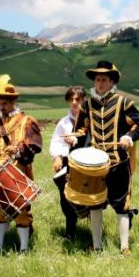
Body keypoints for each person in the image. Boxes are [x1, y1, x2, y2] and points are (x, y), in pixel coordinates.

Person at [73, 61, 139, 254]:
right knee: (95, 203)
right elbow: (81, 129)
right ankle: (97, 245)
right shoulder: (87, 105)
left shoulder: (123, 102)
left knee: (121, 205)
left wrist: (129, 137)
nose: (99, 83)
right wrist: (75, 137)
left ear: (111, 82)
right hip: (94, 165)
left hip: (118, 162)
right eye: (97, 79)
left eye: (103, 80)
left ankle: (124, 246)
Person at [0, 75, 42, 253]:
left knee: (21, 209)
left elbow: (34, 145)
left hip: (18, 170)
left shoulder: (26, 121)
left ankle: (24, 248)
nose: (1, 106)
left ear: (12, 102)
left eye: (4, 103)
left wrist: (18, 150)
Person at [49, 85, 86, 240]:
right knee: (66, 197)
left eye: (77, 99)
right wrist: (57, 156)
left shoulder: (90, 120)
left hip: (86, 162)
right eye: (71, 99)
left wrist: (77, 140)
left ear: (84, 99)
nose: (74, 102)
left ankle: (95, 235)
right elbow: (56, 141)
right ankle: (70, 233)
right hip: (67, 162)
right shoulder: (64, 123)